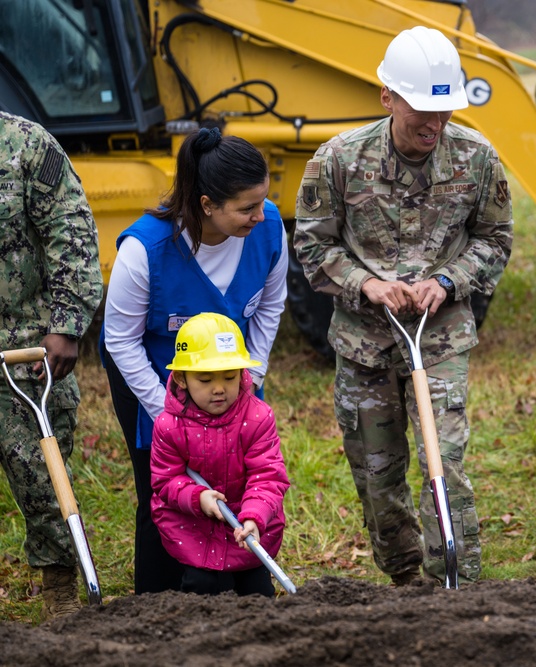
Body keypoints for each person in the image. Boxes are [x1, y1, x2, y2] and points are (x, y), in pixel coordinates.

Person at [293, 26, 513, 585]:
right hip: (365, 344)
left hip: (439, 337)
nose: (433, 125)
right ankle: (405, 579)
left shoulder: (477, 158)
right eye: (421, 109)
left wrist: (450, 279)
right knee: (376, 469)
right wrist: (365, 284)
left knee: (447, 463)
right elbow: (312, 245)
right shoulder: (338, 160)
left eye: (445, 111)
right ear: (387, 96)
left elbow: (495, 239)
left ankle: (457, 580)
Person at [102, 127, 287, 593]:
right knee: (163, 493)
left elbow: (269, 306)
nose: (260, 216)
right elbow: (119, 340)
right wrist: (169, 413)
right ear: (207, 205)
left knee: (241, 488)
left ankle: (240, 591)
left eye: (262, 202)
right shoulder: (144, 251)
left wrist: (254, 373)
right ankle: (160, 601)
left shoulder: (268, 232)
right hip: (153, 382)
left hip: (230, 377)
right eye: (247, 207)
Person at [0, 111, 102, 618]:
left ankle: (60, 593)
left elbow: (70, 227)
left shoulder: (24, 145)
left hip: (24, 347)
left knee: (43, 478)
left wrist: (66, 322)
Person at [150, 313, 289, 597]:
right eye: (205, 379)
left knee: (257, 593)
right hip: (195, 530)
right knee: (205, 589)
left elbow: (268, 475)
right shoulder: (169, 425)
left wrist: (254, 517)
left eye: (229, 376)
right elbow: (165, 481)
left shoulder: (258, 417)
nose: (219, 388)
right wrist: (196, 497)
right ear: (182, 378)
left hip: (247, 529)